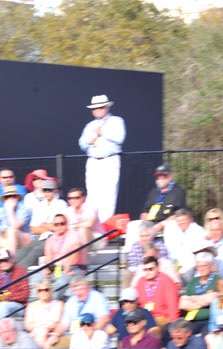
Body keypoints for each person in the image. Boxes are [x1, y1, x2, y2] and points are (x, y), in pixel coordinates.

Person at [78, 94, 126, 222]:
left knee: (108, 195)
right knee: (92, 195)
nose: (97, 110)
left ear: (107, 107)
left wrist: (103, 133)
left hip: (109, 160)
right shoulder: (89, 126)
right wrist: (88, 142)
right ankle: (92, 224)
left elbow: (120, 138)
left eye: (100, 107)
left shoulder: (116, 121)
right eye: (94, 108)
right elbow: (81, 144)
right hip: (93, 161)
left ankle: (105, 226)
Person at [24, 279, 65, 349]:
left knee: (41, 333)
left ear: (51, 291)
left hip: (52, 334)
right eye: (40, 290)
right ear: (37, 293)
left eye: (46, 289)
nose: (43, 292)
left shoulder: (58, 304)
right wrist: (44, 325)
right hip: (36, 334)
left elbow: (55, 323)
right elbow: (28, 326)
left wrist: (39, 325)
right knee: (40, 333)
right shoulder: (32, 306)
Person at [178, 252, 221, 335]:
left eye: (204, 266)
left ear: (211, 266)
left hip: (210, 320)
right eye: (198, 266)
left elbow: (214, 299)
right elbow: (183, 304)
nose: (201, 269)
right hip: (191, 320)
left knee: (207, 335)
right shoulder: (193, 282)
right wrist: (205, 299)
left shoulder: (218, 280)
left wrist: (192, 300)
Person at [121, 221, 171, 289]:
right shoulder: (135, 246)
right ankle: (128, 297)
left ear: (152, 236)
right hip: (138, 271)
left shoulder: (159, 245)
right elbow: (132, 264)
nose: (144, 238)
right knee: (126, 274)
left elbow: (163, 261)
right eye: (142, 236)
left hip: (156, 271)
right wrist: (141, 270)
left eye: (147, 236)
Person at [136, 255, 180, 329]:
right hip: (143, 317)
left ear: (157, 268)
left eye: (151, 269)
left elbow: (173, 306)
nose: (148, 272)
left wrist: (173, 326)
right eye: (145, 270)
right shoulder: (140, 282)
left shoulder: (167, 281)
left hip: (161, 317)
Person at [161, 209, 206, 280]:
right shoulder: (172, 228)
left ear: (191, 220)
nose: (180, 223)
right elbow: (170, 252)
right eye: (178, 221)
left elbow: (193, 259)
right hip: (174, 264)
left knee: (188, 274)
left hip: (191, 267)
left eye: (183, 220)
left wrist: (180, 272)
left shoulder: (199, 232)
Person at [43, 213, 86, 281]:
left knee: (60, 283)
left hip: (74, 267)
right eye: (56, 224)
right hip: (57, 268)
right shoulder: (50, 239)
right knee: (39, 281)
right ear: (53, 226)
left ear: (67, 224)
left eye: (62, 223)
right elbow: (49, 257)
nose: (59, 226)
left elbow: (76, 248)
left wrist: (67, 266)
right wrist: (46, 268)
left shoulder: (73, 234)